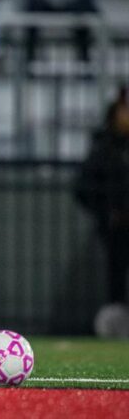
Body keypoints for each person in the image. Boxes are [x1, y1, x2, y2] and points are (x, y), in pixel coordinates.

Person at [75, 85, 129, 307]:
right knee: (116, 277)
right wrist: (108, 213)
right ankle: (116, 322)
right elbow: (85, 187)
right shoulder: (105, 146)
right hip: (118, 227)